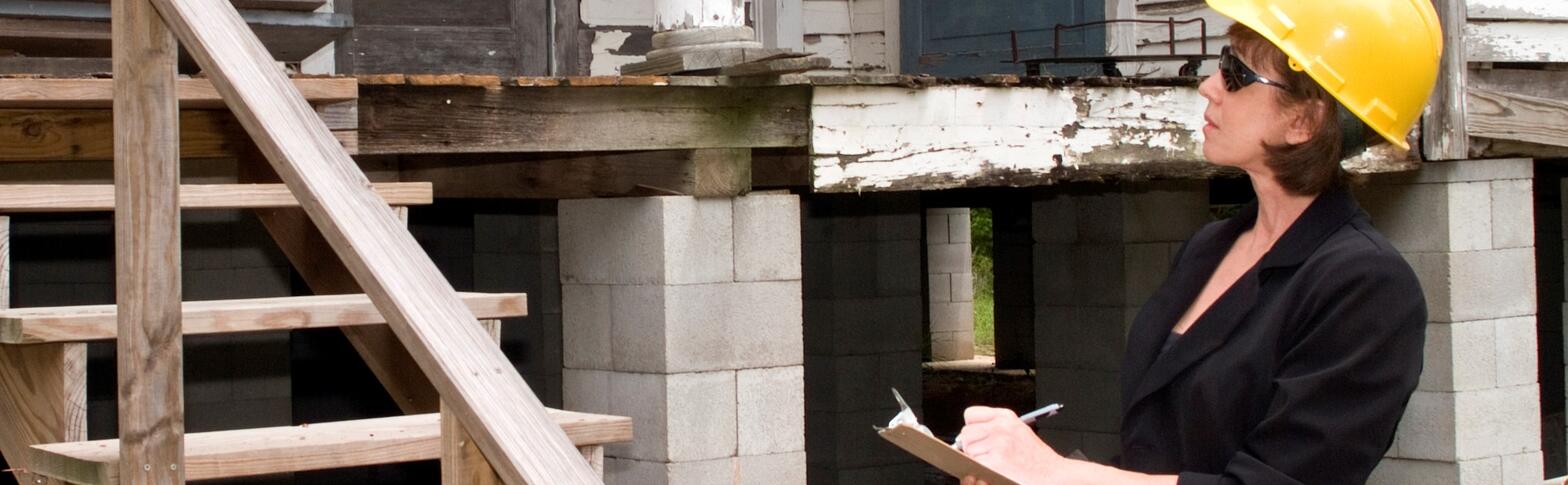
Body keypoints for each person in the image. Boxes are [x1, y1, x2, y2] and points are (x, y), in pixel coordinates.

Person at [955, 0, 1443, 483]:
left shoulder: (1366, 286)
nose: (1209, 86)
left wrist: (1056, 474)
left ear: (1305, 122)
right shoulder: (1212, 247)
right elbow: (1157, 450)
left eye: (1236, 73)